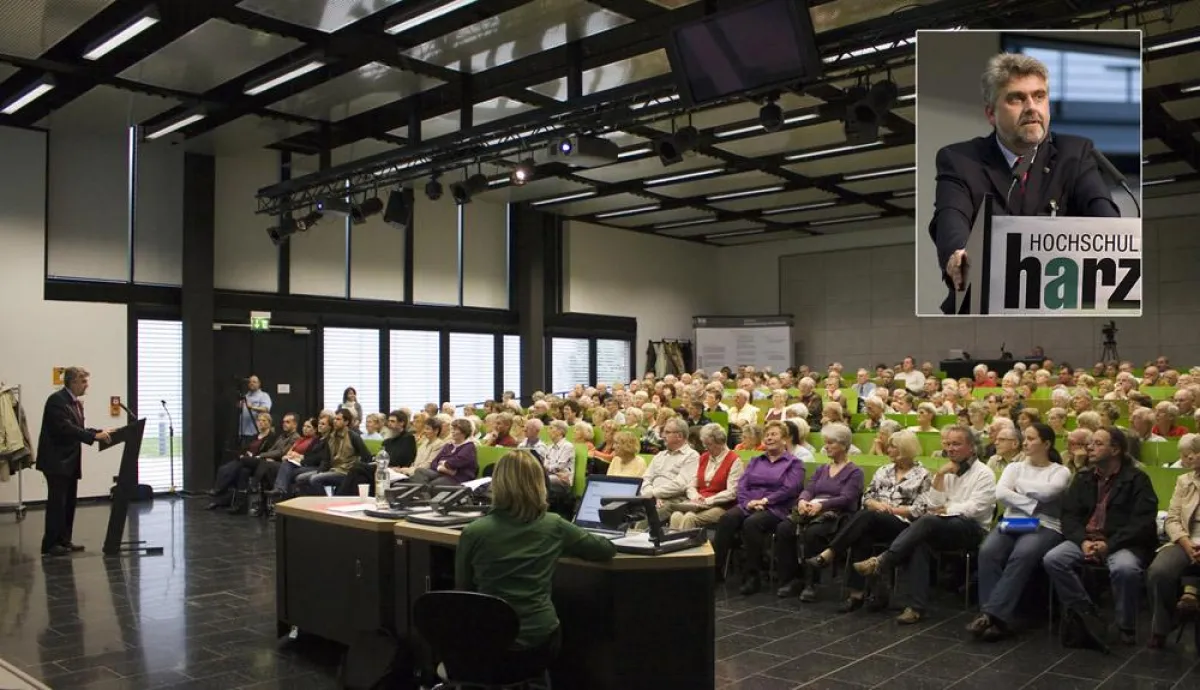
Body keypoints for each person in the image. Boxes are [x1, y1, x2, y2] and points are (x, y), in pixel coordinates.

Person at [927, 52, 1119, 315]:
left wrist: (1116, 236)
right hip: (984, 305)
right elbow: (951, 215)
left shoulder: (1075, 152)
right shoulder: (959, 160)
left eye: (1039, 96)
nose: (1032, 107)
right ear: (991, 114)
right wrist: (956, 254)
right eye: (1016, 98)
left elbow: (1102, 211)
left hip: (1060, 301)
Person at [455, 450, 616, 679]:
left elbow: (463, 589)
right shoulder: (554, 526)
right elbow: (605, 550)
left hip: (484, 644)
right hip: (537, 643)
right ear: (539, 483)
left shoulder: (474, 532)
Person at [853, 425, 997, 625]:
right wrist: (939, 476)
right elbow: (933, 505)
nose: (951, 448)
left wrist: (948, 508)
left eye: (957, 444)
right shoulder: (946, 470)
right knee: (919, 541)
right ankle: (916, 608)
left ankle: (883, 561)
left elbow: (975, 509)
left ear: (971, 447)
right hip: (941, 525)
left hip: (971, 529)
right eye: (948, 444)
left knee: (926, 521)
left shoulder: (984, 473)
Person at [1042, 427, 1158, 649]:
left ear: (1115, 449)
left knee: (1125, 569)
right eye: (1090, 443)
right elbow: (1069, 516)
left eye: (1097, 444)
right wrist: (1082, 541)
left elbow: (1142, 522)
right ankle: (1086, 611)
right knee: (1054, 559)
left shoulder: (1137, 479)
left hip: (1122, 542)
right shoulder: (1084, 477)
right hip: (1086, 539)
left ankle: (1126, 627)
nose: (1090, 448)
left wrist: (1109, 545)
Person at [971, 423, 1071, 641]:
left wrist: (1018, 488)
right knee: (988, 551)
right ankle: (991, 614)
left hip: (1046, 524)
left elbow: (1049, 492)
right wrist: (1032, 503)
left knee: (1023, 554)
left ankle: (992, 616)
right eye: (1025, 438)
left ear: (1047, 443)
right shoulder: (1014, 468)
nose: (1025, 442)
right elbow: (1001, 493)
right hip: (1014, 521)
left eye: (1032, 439)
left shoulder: (1060, 471)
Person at [712, 421, 805, 595]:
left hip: (776, 508)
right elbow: (742, 485)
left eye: (774, 434)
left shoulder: (794, 463)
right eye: (767, 435)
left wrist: (765, 500)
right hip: (751, 504)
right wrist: (748, 502)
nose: (769, 438)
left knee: (752, 524)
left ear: (785, 440)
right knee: (726, 518)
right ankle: (715, 571)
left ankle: (752, 576)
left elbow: (790, 489)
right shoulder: (756, 460)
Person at [36, 367, 114, 557]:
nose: (87, 385)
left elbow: (79, 428)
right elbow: (65, 428)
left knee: (69, 501)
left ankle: (64, 540)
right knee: (57, 502)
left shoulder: (76, 403)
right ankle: (51, 543)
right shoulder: (57, 401)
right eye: (84, 381)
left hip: (70, 460)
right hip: (56, 461)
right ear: (73, 382)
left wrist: (100, 431)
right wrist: (94, 436)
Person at [1147, 450, 1200, 649]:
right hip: (1185, 539)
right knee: (1159, 571)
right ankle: (1162, 627)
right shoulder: (1184, 481)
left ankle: (1191, 592)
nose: (1192, 457)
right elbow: (1172, 518)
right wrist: (1186, 542)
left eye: (1197, 453)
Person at [238, 375, 272, 445]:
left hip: (255, 432)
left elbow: (266, 409)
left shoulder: (263, 395)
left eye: (254, 382)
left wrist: (252, 407)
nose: (251, 383)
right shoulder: (246, 396)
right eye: (250, 382)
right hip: (243, 431)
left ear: (259, 383)